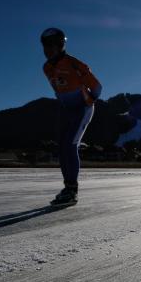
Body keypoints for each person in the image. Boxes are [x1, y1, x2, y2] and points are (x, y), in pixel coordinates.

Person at [41, 27, 102, 207]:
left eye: (52, 46)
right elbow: (59, 89)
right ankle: (67, 189)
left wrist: (88, 101)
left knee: (70, 145)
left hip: (83, 109)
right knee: (62, 147)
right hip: (67, 110)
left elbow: (98, 88)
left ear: (61, 46)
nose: (47, 51)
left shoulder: (75, 64)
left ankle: (72, 190)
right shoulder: (46, 68)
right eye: (45, 47)